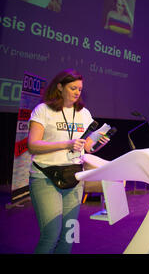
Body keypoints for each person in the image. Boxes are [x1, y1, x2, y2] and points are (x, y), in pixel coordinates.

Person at [27, 69, 109, 253]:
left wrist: (98, 143)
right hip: (45, 176)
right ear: (59, 87)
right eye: (73, 88)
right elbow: (33, 145)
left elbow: (86, 147)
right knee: (51, 234)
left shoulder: (84, 114)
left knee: (68, 236)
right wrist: (67, 144)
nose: (77, 92)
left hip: (74, 177)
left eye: (79, 89)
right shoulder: (43, 110)